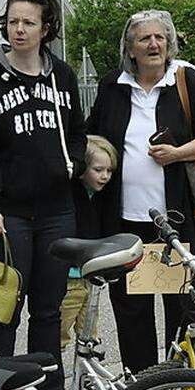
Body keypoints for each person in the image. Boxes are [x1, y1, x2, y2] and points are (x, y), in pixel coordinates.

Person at [0, 0, 86, 390]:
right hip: (10, 213)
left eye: (28, 22)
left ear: (45, 28)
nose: (19, 29)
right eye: (13, 21)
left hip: (57, 210)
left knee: (49, 311)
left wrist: (75, 166)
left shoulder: (64, 76)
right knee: (3, 308)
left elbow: (77, 134)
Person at [87, 9, 195, 375]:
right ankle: (142, 379)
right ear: (130, 48)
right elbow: (94, 136)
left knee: (182, 304)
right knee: (132, 305)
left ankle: (182, 378)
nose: (153, 44)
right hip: (127, 220)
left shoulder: (184, 80)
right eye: (144, 38)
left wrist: (177, 154)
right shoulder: (113, 86)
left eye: (160, 37)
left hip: (176, 220)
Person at [59, 134, 118, 350]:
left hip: (91, 278)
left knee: (90, 335)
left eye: (109, 171)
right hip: (70, 279)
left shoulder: (102, 197)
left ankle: (87, 378)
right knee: (60, 334)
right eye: (98, 170)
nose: (105, 176)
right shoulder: (71, 196)